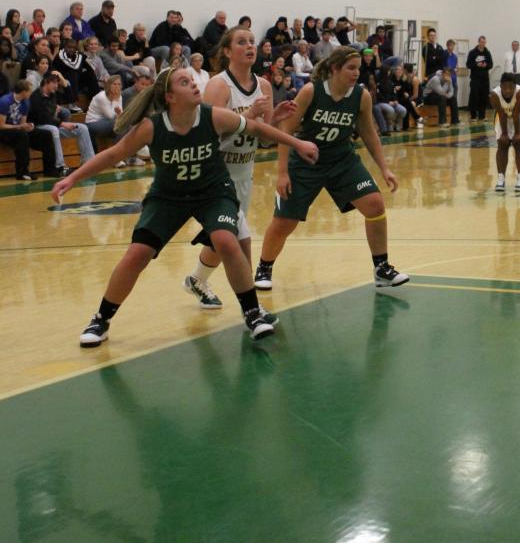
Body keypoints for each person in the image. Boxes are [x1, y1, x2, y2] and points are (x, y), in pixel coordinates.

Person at [51, 66, 318, 346]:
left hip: (213, 193)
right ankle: (101, 320)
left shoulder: (212, 115)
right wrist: (72, 178)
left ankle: (252, 313)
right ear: (169, 97)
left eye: (192, 80)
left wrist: (297, 143)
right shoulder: (152, 127)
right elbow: (114, 153)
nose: (193, 84)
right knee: (136, 254)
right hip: (168, 197)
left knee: (227, 241)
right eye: (184, 82)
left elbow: (256, 127)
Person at [254, 46, 409, 291]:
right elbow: (285, 130)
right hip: (306, 162)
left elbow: (369, 133)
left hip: (342, 160)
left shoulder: (361, 96)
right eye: (351, 68)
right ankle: (264, 266)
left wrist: (384, 168)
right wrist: (282, 172)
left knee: (375, 204)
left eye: (358, 68)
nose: (357, 73)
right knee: (285, 222)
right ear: (335, 68)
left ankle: (382, 268)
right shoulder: (310, 91)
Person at [182, 26, 278, 308]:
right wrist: (249, 116)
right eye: (241, 42)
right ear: (227, 51)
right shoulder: (219, 86)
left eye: (252, 41)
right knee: (240, 239)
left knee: (221, 239)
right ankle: (252, 309)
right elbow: (207, 136)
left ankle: (196, 280)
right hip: (215, 177)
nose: (249, 46)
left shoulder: (265, 86)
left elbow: (264, 140)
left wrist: (276, 121)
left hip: (244, 174)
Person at [27, 71, 96, 172]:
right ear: (46, 82)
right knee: (54, 129)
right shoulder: (35, 97)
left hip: (53, 124)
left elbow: (71, 98)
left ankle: (89, 162)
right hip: (39, 127)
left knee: (82, 128)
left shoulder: (52, 95)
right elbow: (43, 119)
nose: (56, 85)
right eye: (54, 83)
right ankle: (60, 166)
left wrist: (63, 80)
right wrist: (62, 123)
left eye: (57, 83)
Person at [0, 80, 56, 179]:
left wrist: (28, 126)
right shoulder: (5, 101)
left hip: (17, 130)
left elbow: (22, 124)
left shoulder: (26, 102)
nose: (31, 93)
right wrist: (20, 127)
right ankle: (22, 172)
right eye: (30, 90)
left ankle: (50, 169)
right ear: (23, 92)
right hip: (4, 131)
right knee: (22, 135)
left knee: (46, 134)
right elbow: (2, 125)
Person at [490, 72, 520, 193]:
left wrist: (517, 133)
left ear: (515, 86)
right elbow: (501, 114)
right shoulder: (494, 94)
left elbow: (516, 113)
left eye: (511, 88)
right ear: (500, 86)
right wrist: (504, 134)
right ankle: (501, 179)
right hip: (503, 116)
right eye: (505, 87)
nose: (508, 91)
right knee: (502, 144)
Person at [85, 74, 126, 151]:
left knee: (125, 125)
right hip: (93, 123)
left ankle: (123, 155)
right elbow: (110, 116)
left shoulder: (119, 96)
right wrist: (115, 100)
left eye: (119, 84)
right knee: (119, 124)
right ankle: (116, 154)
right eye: (114, 84)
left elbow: (121, 115)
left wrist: (119, 114)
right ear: (109, 85)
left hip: (108, 123)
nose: (117, 86)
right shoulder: (102, 97)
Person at [466, 36, 494, 120]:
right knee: (474, 96)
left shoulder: (487, 52)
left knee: (484, 97)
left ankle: (482, 115)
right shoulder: (472, 52)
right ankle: (473, 115)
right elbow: (468, 64)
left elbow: (491, 64)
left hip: (484, 79)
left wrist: (486, 65)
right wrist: (476, 65)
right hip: (475, 78)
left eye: (484, 42)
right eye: (481, 42)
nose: (483, 44)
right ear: (478, 42)